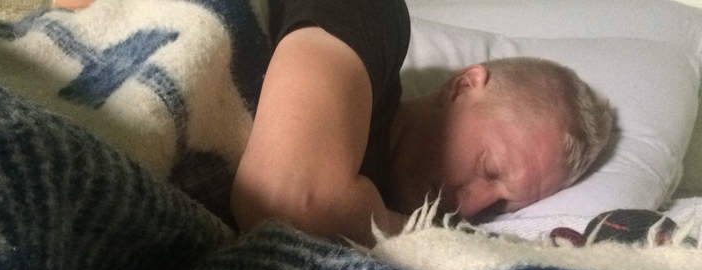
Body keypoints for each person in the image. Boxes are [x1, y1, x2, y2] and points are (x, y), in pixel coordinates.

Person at [54, 0, 614, 247]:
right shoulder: (374, 18)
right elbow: (289, 196)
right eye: (490, 168)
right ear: (464, 85)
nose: (472, 207)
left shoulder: (372, 211)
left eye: (502, 207)